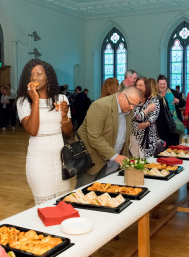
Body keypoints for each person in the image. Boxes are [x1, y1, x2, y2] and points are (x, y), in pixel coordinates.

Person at [16, 59, 73, 205]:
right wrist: (35, 101)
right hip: (38, 160)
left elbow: (68, 133)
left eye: (39, 74)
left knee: (62, 205)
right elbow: (33, 130)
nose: (34, 78)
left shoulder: (61, 99)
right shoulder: (23, 101)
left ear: (48, 77)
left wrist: (64, 116)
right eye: (31, 75)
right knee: (44, 206)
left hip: (61, 160)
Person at [76, 86, 142, 188]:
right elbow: (94, 137)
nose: (132, 108)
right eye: (131, 104)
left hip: (112, 164)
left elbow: (125, 137)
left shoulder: (129, 110)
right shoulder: (100, 106)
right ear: (122, 96)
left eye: (135, 106)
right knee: (84, 194)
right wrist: (115, 156)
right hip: (92, 162)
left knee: (105, 196)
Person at [131, 77, 160, 158]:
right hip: (134, 135)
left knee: (146, 161)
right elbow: (134, 116)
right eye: (136, 85)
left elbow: (155, 114)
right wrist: (147, 110)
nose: (138, 87)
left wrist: (147, 123)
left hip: (148, 136)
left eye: (141, 85)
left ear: (146, 87)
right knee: (135, 160)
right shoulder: (134, 99)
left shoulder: (153, 100)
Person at [157, 75, 185, 146]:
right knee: (164, 147)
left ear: (167, 84)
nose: (162, 86)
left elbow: (183, 103)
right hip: (161, 126)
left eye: (164, 84)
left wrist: (177, 101)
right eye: (160, 84)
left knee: (174, 146)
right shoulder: (155, 95)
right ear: (157, 84)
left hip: (174, 124)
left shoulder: (173, 92)